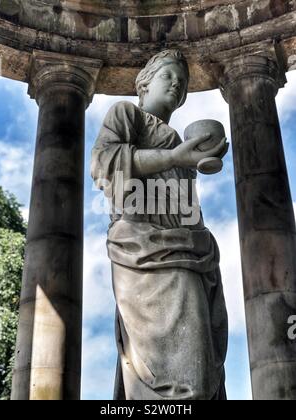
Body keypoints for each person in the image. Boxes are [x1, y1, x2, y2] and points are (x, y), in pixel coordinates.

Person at [91, 50, 229, 400]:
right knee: (182, 376)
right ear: (145, 82)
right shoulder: (126, 114)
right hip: (142, 252)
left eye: (182, 84)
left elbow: (185, 206)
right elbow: (105, 165)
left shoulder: (179, 141)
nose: (177, 83)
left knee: (202, 355)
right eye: (168, 75)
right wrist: (174, 157)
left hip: (189, 248)